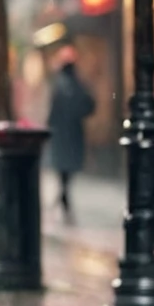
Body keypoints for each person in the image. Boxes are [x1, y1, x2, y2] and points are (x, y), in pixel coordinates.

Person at [47, 46, 96, 219]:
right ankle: (62, 199)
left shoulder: (61, 83)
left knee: (65, 170)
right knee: (66, 170)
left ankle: (61, 198)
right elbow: (89, 105)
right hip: (70, 132)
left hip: (64, 133)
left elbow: (54, 112)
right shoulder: (75, 83)